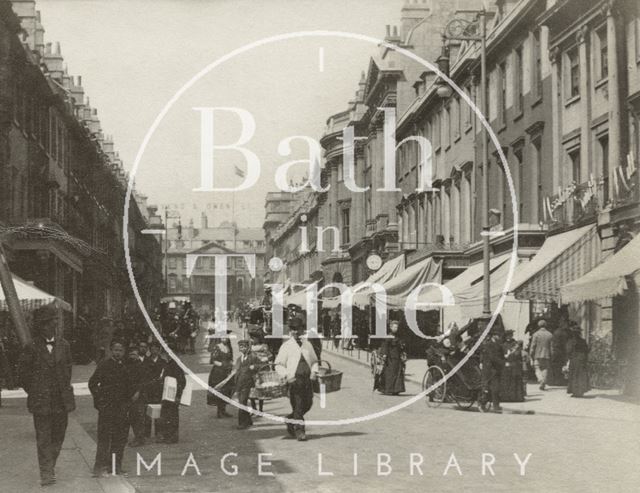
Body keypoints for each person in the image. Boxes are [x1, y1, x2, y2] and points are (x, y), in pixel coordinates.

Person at [18, 305, 75, 486]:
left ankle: (50, 465)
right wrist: (36, 391)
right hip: (41, 401)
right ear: (42, 325)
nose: (54, 325)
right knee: (43, 438)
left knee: (58, 436)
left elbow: (68, 370)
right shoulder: (31, 347)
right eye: (51, 322)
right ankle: (46, 473)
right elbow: (23, 375)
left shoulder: (64, 345)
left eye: (54, 322)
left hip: (61, 401)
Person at [88, 340, 135, 477]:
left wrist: (128, 400)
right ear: (111, 351)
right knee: (104, 438)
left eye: (120, 350)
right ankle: (98, 468)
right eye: (115, 350)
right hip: (107, 408)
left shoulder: (125, 366)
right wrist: (100, 401)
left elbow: (129, 385)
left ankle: (115, 467)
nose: (118, 353)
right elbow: (92, 383)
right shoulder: (104, 364)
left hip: (121, 408)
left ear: (124, 352)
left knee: (119, 438)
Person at [275, 316, 318, 441]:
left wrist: (314, 372)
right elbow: (279, 364)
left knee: (308, 404)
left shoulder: (307, 344)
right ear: (290, 331)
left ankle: (290, 419)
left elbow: (315, 361)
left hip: (307, 380)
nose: (296, 332)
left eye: (298, 329)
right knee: (298, 405)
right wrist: (286, 375)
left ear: (302, 330)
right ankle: (300, 431)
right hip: (294, 381)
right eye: (293, 329)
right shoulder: (286, 346)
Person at [157, 341, 186, 443]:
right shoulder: (168, 363)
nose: (168, 354)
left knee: (172, 416)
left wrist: (178, 395)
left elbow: (182, 381)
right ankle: (167, 436)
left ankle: (173, 437)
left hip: (172, 395)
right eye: (167, 352)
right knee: (166, 415)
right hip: (167, 394)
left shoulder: (176, 364)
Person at [234, 340, 260, 430]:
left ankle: (242, 423)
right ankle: (248, 420)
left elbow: (261, 365)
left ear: (248, 347)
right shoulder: (238, 359)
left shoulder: (252, 357)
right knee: (242, 402)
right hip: (239, 383)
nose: (243, 348)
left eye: (244, 346)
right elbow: (236, 371)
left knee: (242, 402)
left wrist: (254, 367)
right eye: (241, 347)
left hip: (248, 383)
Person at [207, 334, 234, 418]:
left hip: (227, 372)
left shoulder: (229, 347)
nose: (224, 339)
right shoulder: (217, 347)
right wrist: (223, 365)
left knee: (226, 390)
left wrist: (231, 365)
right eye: (223, 337)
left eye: (226, 337)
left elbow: (230, 359)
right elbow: (213, 361)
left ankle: (223, 410)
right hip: (218, 372)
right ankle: (219, 412)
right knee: (219, 390)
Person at [376, 320, 406, 395]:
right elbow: (385, 346)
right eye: (394, 327)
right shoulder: (388, 336)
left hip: (397, 357)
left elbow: (401, 345)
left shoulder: (398, 336)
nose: (396, 328)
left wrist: (402, 349)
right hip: (390, 358)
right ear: (391, 327)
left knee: (398, 373)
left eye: (397, 327)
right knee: (390, 373)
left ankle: (396, 389)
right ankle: (388, 389)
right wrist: (384, 355)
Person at [125, 347, 146, 447]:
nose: (132, 356)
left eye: (134, 354)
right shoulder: (127, 365)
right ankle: (137, 437)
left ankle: (139, 438)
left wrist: (138, 392)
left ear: (138, 356)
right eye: (131, 354)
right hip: (129, 394)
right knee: (132, 417)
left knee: (137, 417)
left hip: (138, 394)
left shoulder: (141, 366)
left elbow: (142, 381)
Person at [479, 331, 505, 412]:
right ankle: (483, 404)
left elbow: (501, 356)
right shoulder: (488, 345)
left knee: (496, 388)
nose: (499, 337)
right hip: (489, 370)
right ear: (493, 336)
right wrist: (503, 363)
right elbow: (492, 357)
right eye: (498, 335)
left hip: (496, 369)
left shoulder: (499, 345)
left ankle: (496, 405)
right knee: (490, 388)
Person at [249, 331, 272, 414]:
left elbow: (270, 355)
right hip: (253, 369)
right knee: (251, 389)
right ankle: (254, 408)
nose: (252, 340)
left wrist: (265, 359)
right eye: (251, 338)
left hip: (261, 369)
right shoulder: (250, 347)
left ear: (258, 339)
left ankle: (261, 409)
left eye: (253, 338)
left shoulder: (264, 346)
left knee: (260, 390)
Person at [566, 325, 590, 397]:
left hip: (574, 360)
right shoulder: (583, 341)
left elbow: (568, 351)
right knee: (581, 375)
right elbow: (586, 350)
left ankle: (575, 391)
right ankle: (580, 391)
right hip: (581, 359)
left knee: (574, 375)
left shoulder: (570, 341)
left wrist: (568, 358)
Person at [500, 331, 524, 402]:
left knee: (515, 381)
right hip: (506, 365)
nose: (509, 337)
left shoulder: (515, 344)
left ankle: (516, 397)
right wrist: (504, 357)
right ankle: (506, 397)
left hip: (514, 365)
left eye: (510, 335)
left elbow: (518, 353)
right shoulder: (503, 344)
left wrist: (510, 355)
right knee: (506, 381)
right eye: (507, 336)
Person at [529, 320, 553, 390]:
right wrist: (551, 354)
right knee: (545, 368)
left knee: (537, 368)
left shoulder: (536, 334)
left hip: (538, 354)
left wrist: (531, 354)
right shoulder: (550, 334)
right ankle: (544, 381)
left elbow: (533, 345)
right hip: (546, 354)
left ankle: (540, 379)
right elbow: (552, 347)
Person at [550, 321, 570, 385]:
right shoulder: (564, 333)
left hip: (556, 351)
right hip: (561, 351)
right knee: (561, 365)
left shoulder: (556, 332)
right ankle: (561, 380)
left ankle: (556, 380)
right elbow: (565, 343)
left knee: (556, 366)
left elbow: (553, 342)